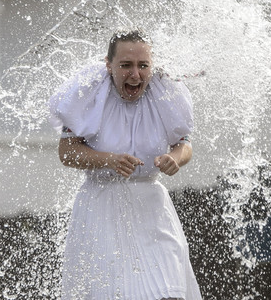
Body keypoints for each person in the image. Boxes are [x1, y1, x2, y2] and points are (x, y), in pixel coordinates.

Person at [49, 29, 202, 299]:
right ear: (109, 65)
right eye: (126, 66)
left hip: (152, 208)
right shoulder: (90, 95)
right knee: (115, 292)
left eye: (143, 66)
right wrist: (109, 160)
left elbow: (184, 143)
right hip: (102, 205)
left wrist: (174, 159)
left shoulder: (165, 92)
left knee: (169, 289)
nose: (135, 75)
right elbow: (67, 152)